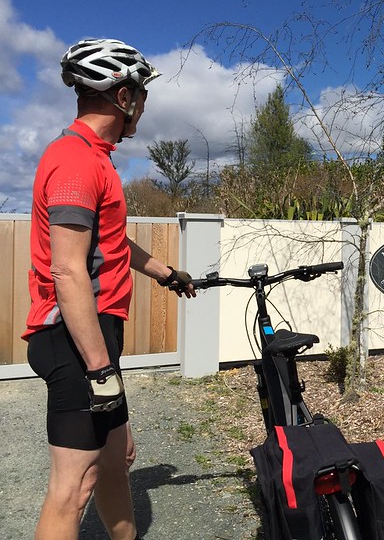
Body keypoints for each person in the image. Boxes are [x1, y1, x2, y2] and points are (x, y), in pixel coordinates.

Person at [23, 38, 196, 540]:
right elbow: (69, 272)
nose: (143, 105)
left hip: (93, 337)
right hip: (76, 341)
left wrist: (166, 271)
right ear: (123, 97)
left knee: (118, 458)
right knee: (73, 487)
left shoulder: (95, 158)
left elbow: (112, 241)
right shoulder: (75, 161)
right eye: (140, 94)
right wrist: (101, 370)